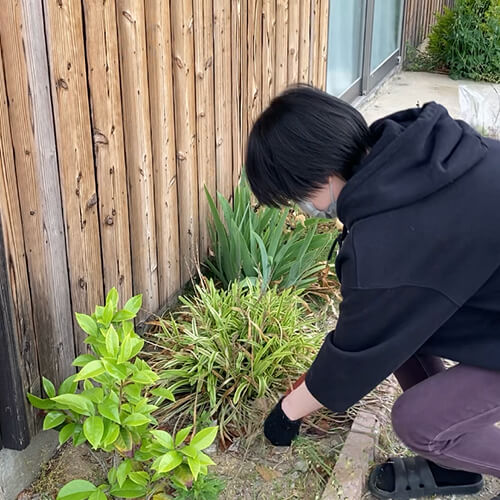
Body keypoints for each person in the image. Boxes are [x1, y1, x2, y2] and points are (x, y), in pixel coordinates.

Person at [245, 84, 500, 500]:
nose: (301, 211)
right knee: (403, 334)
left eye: (295, 198)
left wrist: (288, 412)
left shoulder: (388, 240)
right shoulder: (421, 155)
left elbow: (354, 353)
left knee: (417, 422)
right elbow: (380, 330)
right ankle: (454, 466)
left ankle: (446, 447)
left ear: (320, 178)